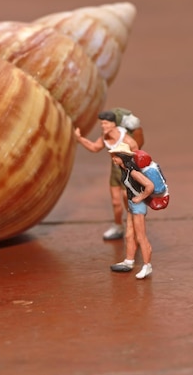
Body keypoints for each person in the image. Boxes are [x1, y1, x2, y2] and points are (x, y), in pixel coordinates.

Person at [74, 110, 139, 240]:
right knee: (116, 202)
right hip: (114, 172)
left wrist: (135, 175)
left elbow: (137, 155)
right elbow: (94, 148)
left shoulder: (126, 140)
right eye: (102, 124)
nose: (103, 127)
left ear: (113, 124)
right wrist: (80, 139)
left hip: (126, 172)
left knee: (129, 201)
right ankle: (118, 226)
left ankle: (135, 228)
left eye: (105, 124)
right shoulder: (105, 137)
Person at [107, 143, 154, 279]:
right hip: (131, 204)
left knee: (141, 237)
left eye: (115, 157)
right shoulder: (125, 170)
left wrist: (140, 198)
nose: (113, 159)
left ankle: (147, 265)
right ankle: (129, 261)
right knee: (129, 234)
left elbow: (149, 186)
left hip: (138, 206)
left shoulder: (133, 171)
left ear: (122, 157)